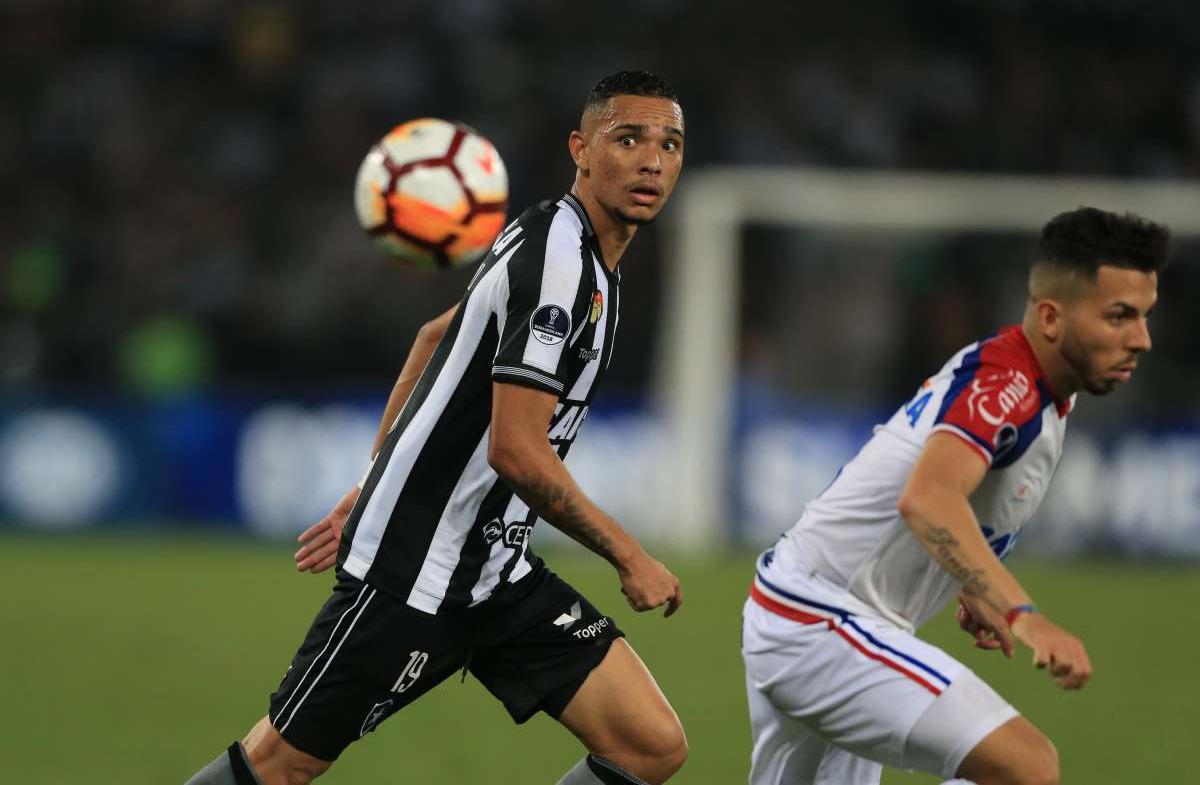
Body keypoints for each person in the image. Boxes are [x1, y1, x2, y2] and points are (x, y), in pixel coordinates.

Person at [185, 70, 688, 785]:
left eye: (669, 144)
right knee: (278, 764)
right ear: (580, 148)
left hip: (495, 572)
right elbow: (515, 450)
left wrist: (367, 481)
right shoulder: (558, 263)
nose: (651, 161)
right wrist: (628, 555)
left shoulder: (575, 250)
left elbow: (432, 338)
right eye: (628, 138)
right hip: (414, 570)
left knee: (651, 743)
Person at [742, 207, 1169, 785]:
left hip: (815, 616)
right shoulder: (1008, 385)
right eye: (1119, 316)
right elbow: (928, 499)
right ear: (1051, 316)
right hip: (822, 621)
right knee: (1028, 768)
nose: (1140, 339)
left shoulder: (1030, 387)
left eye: (1144, 317)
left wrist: (971, 582)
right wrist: (1026, 618)